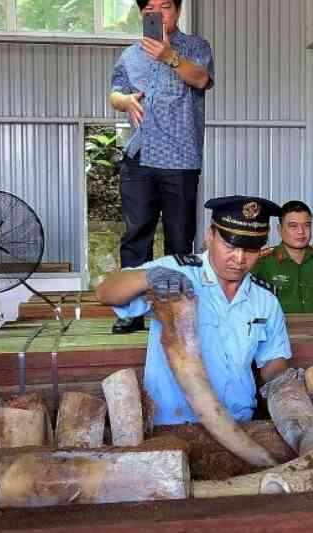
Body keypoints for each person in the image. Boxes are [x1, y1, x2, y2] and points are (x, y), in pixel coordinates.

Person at [95, 196, 292, 425]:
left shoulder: (265, 299)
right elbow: (105, 292)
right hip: (173, 424)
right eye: (230, 246)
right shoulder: (175, 271)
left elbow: (272, 363)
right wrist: (147, 278)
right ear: (210, 236)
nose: (239, 259)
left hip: (240, 423)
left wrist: (286, 382)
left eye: (251, 250)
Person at [108, 0, 215, 334]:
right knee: (135, 236)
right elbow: (115, 91)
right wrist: (123, 101)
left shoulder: (196, 46)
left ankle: (175, 310)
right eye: (150, 8)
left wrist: (168, 55)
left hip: (180, 159)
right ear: (142, 15)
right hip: (139, 158)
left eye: (165, 6)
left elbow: (200, 79)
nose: (158, 13)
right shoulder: (129, 55)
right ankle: (131, 311)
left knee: (179, 240)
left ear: (178, 10)